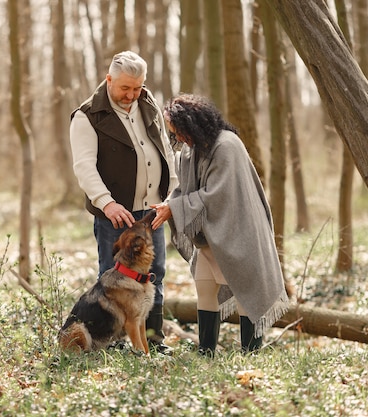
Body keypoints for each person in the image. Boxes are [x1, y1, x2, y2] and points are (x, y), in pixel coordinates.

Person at [151, 93, 289, 357]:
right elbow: (183, 189)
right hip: (209, 236)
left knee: (247, 292)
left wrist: (176, 208)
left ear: (193, 123)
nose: (178, 138)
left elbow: (218, 194)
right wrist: (170, 204)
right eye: (173, 133)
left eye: (179, 131)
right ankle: (207, 353)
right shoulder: (188, 152)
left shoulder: (227, 145)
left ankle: (251, 355)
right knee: (204, 287)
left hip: (241, 232)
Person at [69, 51, 178, 354]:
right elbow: (84, 167)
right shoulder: (87, 116)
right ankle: (115, 343)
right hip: (115, 215)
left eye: (137, 87)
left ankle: (154, 341)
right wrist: (106, 203)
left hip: (152, 209)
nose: (131, 95)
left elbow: (164, 149)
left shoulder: (147, 102)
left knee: (155, 273)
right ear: (109, 80)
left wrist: (172, 194)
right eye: (124, 88)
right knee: (114, 276)